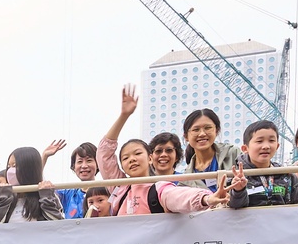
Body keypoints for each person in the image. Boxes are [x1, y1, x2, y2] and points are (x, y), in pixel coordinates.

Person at [95, 87, 225, 216]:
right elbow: (104, 153)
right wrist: (124, 115)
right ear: (122, 165)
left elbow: (180, 197)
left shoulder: (159, 188)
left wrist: (207, 198)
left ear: (150, 158)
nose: (132, 159)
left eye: (137, 153)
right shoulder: (119, 188)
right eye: (125, 158)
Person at [226, 121, 298, 209]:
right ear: (245, 148)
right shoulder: (236, 177)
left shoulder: (287, 175)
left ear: (277, 146)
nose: (266, 146)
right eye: (259, 141)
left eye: (271, 141)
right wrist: (238, 191)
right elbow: (234, 209)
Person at [0, 147, 65, 222]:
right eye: (9, 167)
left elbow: (59, 225)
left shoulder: (48, 196)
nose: (10, 171)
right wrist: (3, 200)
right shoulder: (3, 197)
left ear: (29, 169)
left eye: (14, 166)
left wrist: (46, 198)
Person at [182, 109, 240, 173]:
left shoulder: (234, 154)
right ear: (186, 136)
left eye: (208, 128)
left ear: (216, 131)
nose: (202, 134)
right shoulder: (187, 176)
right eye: (196, 129)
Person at [59, 143, 99, 219]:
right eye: (80, 162)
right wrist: (45, 156)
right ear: (74, 167)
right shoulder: (68, 195)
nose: (84, 166)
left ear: (98, 164)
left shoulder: (106, 191)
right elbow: (44, 192)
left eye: (89, 160)